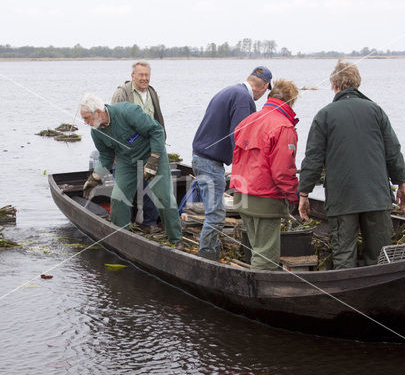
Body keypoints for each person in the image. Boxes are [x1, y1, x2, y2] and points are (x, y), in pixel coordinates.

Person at [298, 59, 405, 270]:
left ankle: (345, 297)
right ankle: (377, 296)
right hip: (377, 197)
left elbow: (313, 159)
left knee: (344, 255)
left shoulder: (325, 115)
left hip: (343, 199)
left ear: (334, 85)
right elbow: (393, 151)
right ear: (357, 83)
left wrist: (304, 193)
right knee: (379, 257)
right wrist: (401, 184)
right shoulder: (376, 111)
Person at [79, 93, 184, 250]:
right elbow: (106, 156)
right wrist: (94, 177)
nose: (85, 122)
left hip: (152, 155)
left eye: (87, 118)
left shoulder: (127, 112)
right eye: (84, 119)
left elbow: (157, 131)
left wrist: (154, 160)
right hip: (127, 162)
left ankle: (176, 240)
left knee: (163, 197)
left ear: (98, 112)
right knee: (117, 199)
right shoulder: (96, 132)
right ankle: (121, 240)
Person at [191, 66, 272, 260]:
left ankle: (212, 249)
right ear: (265, 86)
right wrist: (248, 170)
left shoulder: (229, 91)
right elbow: (240, 137)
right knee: (216, 215)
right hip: (209, 162)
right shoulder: (244, 99)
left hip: (201, 158)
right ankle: (207, 256)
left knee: (213, 211)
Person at [230, 79, 300, 270]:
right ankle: (257, 295)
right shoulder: (283, 127)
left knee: (256, 248)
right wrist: (295, 196)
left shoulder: (246, 121)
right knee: (266, 257)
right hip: (265, 200)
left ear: (270, 97)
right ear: (291, 101)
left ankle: (251, 284)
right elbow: (283, 173)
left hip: (242, 196)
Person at [112, 60, 164, 233]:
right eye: (141, 75)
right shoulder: (122, 93)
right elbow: (113, 122)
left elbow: (157, 119)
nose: (144, 78)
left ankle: (149, 222)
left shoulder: (152, 92)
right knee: (127, 186)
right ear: (132, 76)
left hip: (149, 146)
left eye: (147, 75)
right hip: (128, 150)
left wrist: (159, 146)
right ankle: (123, 225)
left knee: (150, 182)